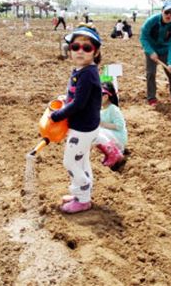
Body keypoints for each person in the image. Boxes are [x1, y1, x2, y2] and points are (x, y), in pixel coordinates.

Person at [50, 26, 103, 213]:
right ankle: (82, 192)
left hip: (82, 127)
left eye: (87, 48)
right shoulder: (81, 70)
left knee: (71, 162)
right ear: (69, 50)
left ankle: (83, 197)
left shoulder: (88, 74)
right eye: (75, 46)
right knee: (81, 161)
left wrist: (57, 115)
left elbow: (79, 104)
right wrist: (66, 100)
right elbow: (77, 97)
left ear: (95, 52)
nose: (80, 51)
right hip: (86, 125)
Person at [139, 0, 171, 106]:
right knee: (151, 73)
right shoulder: (151, 21)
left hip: (165, 50)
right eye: (167, 12)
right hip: (151, 48)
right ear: (162, 10)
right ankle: (151, 98)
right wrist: (150, 52)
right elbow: (143, 37)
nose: (169, 15)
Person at [93, 82, 127, 170]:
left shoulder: (113, 109)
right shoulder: (101, 109)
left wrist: (103, 124)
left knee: (96, 132)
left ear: (105, 97)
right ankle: (109, 154)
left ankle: (114, 154)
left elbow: (119, 125)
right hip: (111, 136)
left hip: (119, 138)